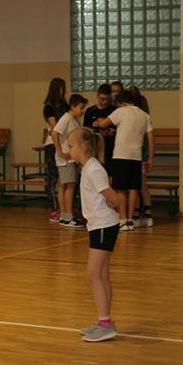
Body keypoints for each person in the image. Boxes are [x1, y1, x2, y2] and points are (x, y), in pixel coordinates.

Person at [68, 127, 124, 342]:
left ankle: (105, 324)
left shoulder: (93, 169)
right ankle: (105, 321)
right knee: (101, 275)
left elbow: (115, 197)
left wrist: (112, 202)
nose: (69, 150)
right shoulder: (89, 168)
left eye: (71, 146)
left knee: (93, 274)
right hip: (100, 225)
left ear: (83, 146)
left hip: (103, 226)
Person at [94, 90, 153, 231]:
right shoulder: (144, 115)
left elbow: (103, 124)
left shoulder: (121, 111)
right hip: (136, 157)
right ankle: (130, 220)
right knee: (133, 189)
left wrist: (98, 122)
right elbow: (151, 138)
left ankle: (123, 219)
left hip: (121, 155)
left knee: (120, 188)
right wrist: (150, 158)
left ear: (122, 103)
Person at [52, 94, 88, 229]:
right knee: (70, 186)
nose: (82, 111)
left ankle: (65, 216)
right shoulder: (66, 118)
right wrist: (60, 151)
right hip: (66, 159)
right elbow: (55, 133)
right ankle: (67, 217)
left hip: (70, 158)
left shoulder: (74, 119)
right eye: (81, 108)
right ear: (72, 106)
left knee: (64, 186)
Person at [42, 78, 68, 222]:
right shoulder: (48, 107)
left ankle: (66, 209)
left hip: (66, 144)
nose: (66, 91)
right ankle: (54, 210)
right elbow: (55, 127)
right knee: (53, 178)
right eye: (63, 88)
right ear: (58, 89)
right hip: (52, 144)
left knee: (66, 178)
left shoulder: (65, 105)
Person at [128, 85, 154, 227]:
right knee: (141, 187)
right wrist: (150, 157)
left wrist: (149, 158)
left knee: (137, 187)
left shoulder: (138, 116)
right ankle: (145, 215)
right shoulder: (144, 115)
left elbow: (150, 139)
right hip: (140, 156)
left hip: (137, 156)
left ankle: (140, 215)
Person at [83, 83, 116, 163]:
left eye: (107, 99)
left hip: (110, 148)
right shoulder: (90, 111)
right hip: (94, 148)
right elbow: (85, 130)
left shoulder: (114, 110)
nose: (105, 102)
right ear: (97, 96)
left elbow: (120, 130)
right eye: (102, 99)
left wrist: (110, 132)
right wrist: (94, 129)